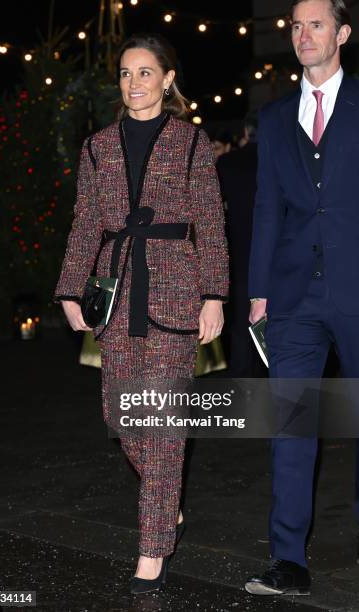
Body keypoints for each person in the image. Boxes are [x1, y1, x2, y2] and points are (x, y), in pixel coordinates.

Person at [54, 33, 228, 593]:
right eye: (126, 74)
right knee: (124, 417)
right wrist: (68, 290)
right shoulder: (98, 146)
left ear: (168, 79)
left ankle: (152, 549)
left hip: (176, 287)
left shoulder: (192, 142)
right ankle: (165, 499)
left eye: (145, 72)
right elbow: (85, 222)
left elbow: (211, 222)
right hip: (114, 288)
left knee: (163, 423)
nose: (134, 84)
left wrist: (215, 295)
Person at [245, 0, 356, 596]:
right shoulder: (275, 118)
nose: (303, 34)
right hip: (292, 297)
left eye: (315, 23)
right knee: (291, 425)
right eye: (295, 25)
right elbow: (267, 208)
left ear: (341, 33)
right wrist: (259, 292)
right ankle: (288, 560)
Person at [216, 112, 266, 378]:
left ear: (246, 132)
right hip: (274, 252)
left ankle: (242, 377)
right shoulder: (282, 162)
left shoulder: (227, 163)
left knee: (239, 318)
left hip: (237, 248)